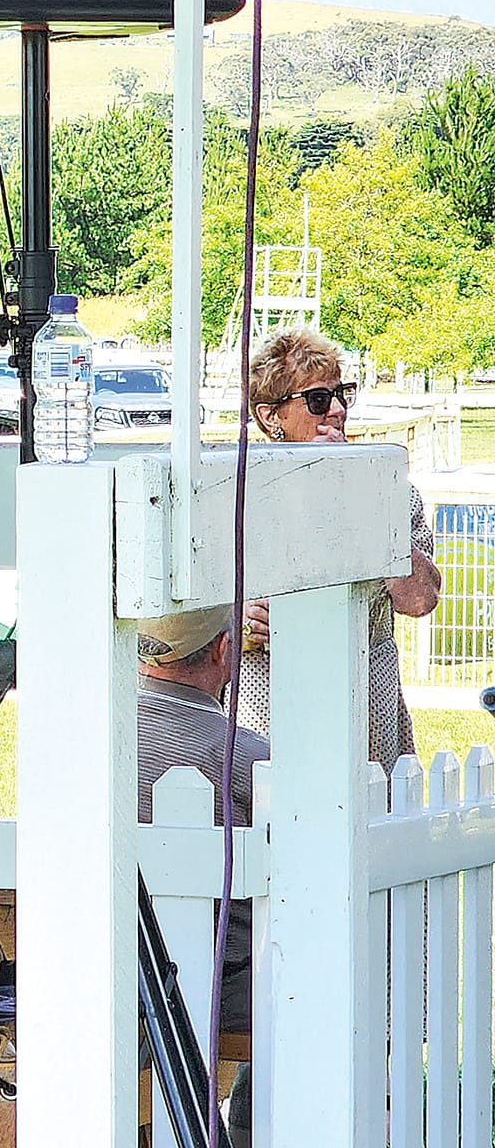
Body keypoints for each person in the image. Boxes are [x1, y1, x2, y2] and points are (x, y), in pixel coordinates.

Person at [241, 327, 440, 766]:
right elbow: (183, 621)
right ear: (272, 416)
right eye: (317, 400)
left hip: (365, 701)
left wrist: (361, 498)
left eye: (342, 394)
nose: (335, 410)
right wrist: (235, 620)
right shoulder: (239, 492)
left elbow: (421, 598)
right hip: (269, 700)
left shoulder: (388, 490)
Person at [136, 607, 265, 1037]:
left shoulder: (86, 738)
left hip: (104, 967)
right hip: (223, 988)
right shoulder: (251, 760)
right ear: (225, 649)